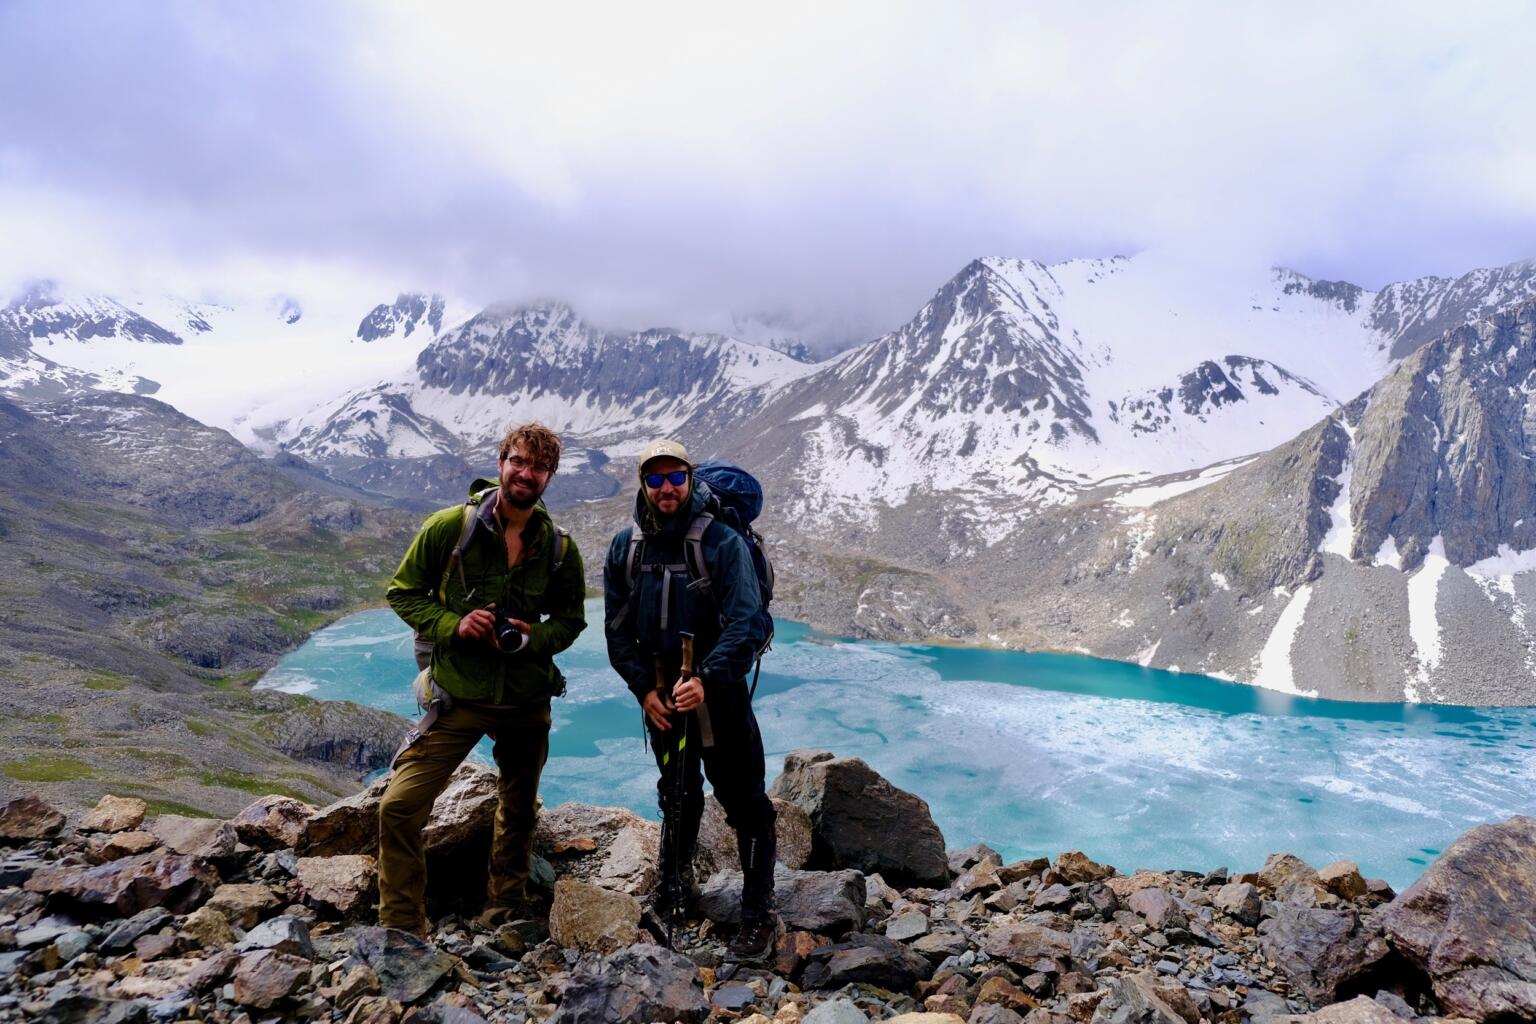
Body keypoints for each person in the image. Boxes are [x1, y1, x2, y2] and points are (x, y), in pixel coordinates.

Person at [377, 422, 586, 935]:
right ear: (500, 463)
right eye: (518, 461)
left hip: (524, 698)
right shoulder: (450, 527)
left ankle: (504, 912)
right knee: (399, 806)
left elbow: (571, 620)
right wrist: (455, 624)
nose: (526, 473)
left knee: (517, 810)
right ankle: (403, 925)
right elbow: (402, 593)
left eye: (538, 467)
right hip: (459, 694)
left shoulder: (559, 548)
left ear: (549, 477)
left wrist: (533, 637)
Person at [603, 439, 777, 961]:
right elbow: (615, 631)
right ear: (642, 483)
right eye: (655, 479)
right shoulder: (625, 548)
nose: (666, 488)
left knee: (745, 803)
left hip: (719, 700)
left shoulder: (720, 543)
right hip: (663, 699)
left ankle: (757, 914)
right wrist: (644, 690)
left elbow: (745, 623)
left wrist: (708, 677)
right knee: (677, 794)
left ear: (690, 477)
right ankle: (674, 892)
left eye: (674, 477)